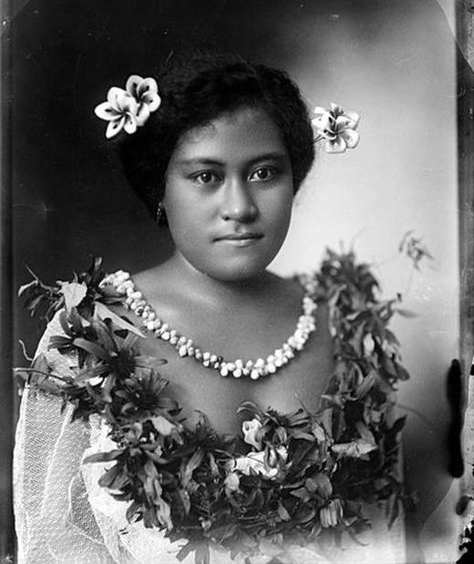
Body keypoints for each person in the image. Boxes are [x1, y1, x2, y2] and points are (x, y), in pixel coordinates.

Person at [13, 46, 407, 563]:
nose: (240, 207)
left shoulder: (346, 327)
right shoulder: (92, 335)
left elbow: (387, 541)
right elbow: (52, 546)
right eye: (206, 176)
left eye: (265, 173)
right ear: (161, 187)